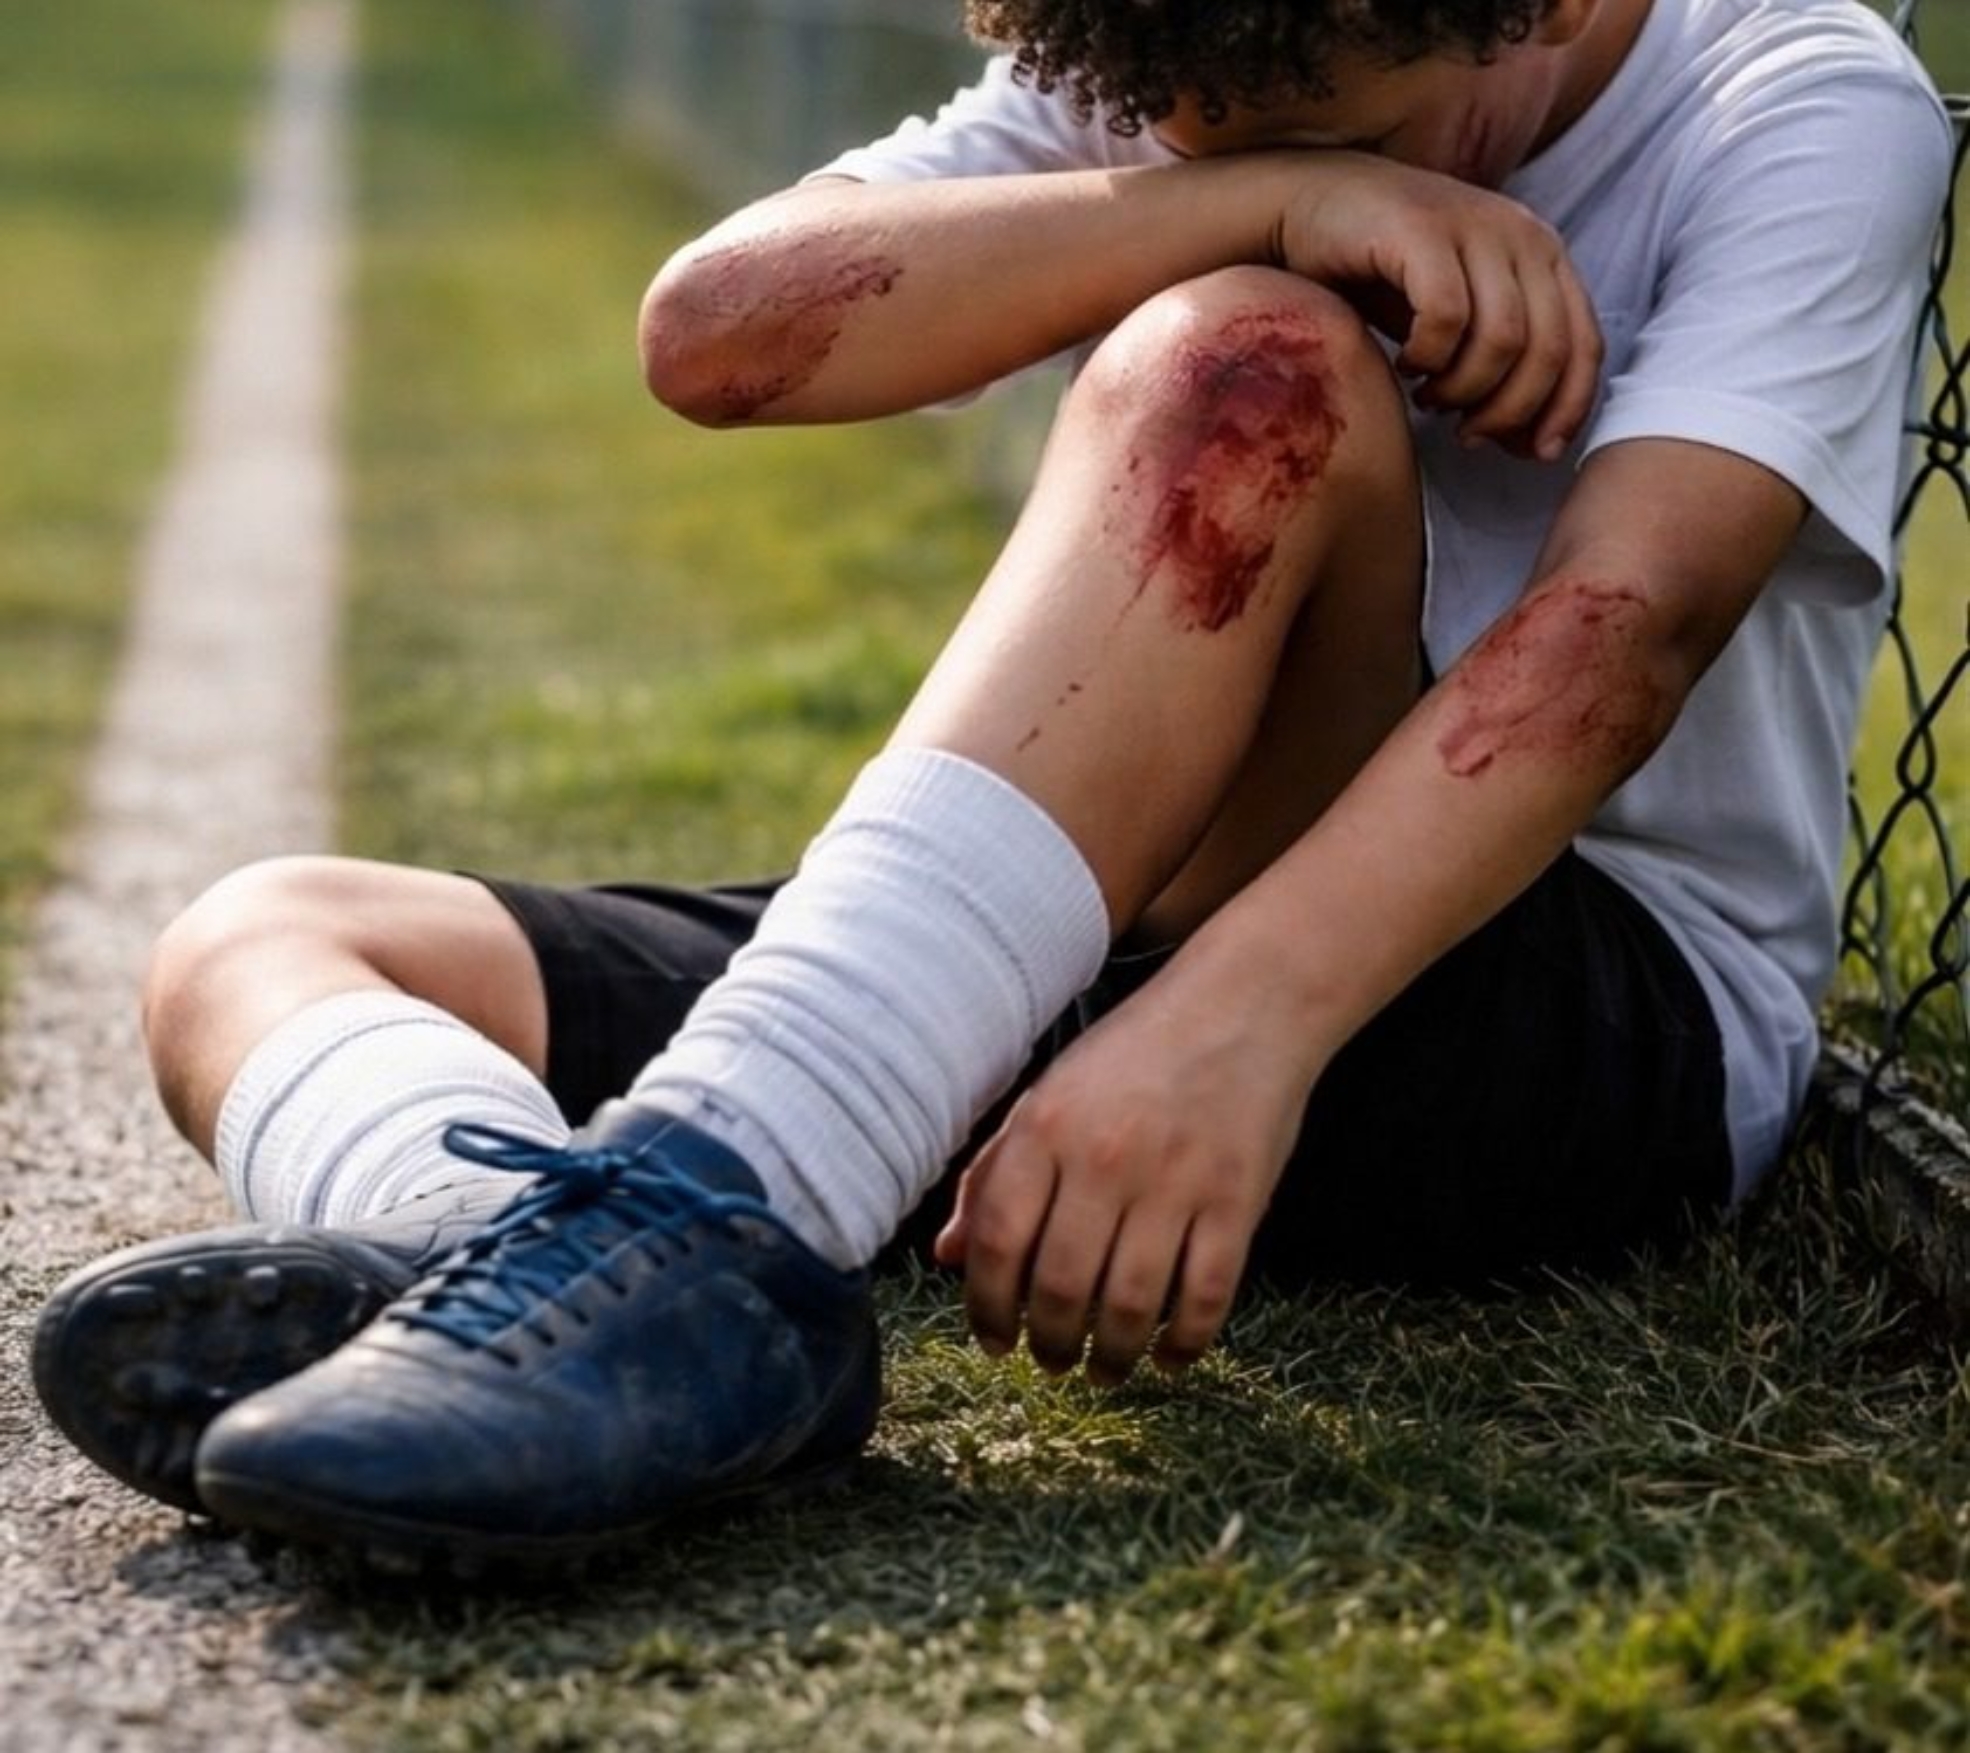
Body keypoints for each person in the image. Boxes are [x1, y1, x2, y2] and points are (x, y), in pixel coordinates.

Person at [32, 0, 1950, 1572]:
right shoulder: (1185, 62)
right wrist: (1274, 193)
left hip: (1563, 994)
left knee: (1247, 372)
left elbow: (1627, 631)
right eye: (1189, 137)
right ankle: (522, 1275)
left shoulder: (1790, 90)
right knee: (264, 937)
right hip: (1134, 933)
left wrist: (1233, 1028)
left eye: (1360, 127)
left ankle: (696, 1221)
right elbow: (715, 334)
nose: (1229, 156)